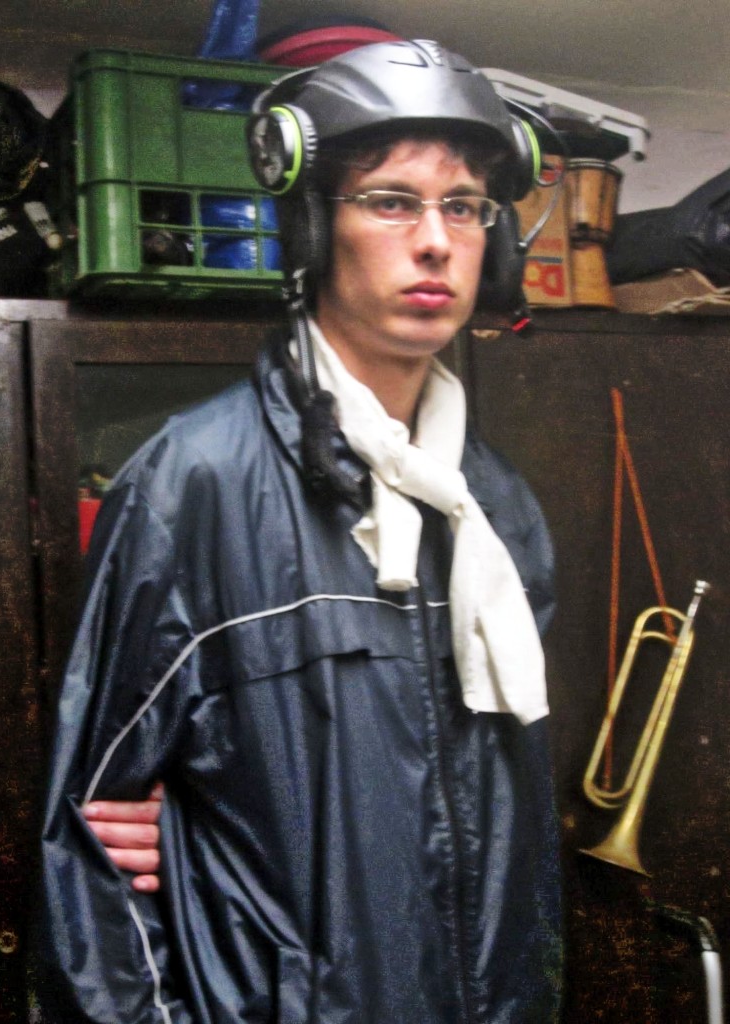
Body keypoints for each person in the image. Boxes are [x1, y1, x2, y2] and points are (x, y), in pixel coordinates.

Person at [38, 38, 562, 1023]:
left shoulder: (497, 509)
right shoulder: (194, 485)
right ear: (316, 226)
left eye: (463, 206)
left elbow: (504, 832)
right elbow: (92, 852)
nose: (436, 240)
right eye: (393, 201)